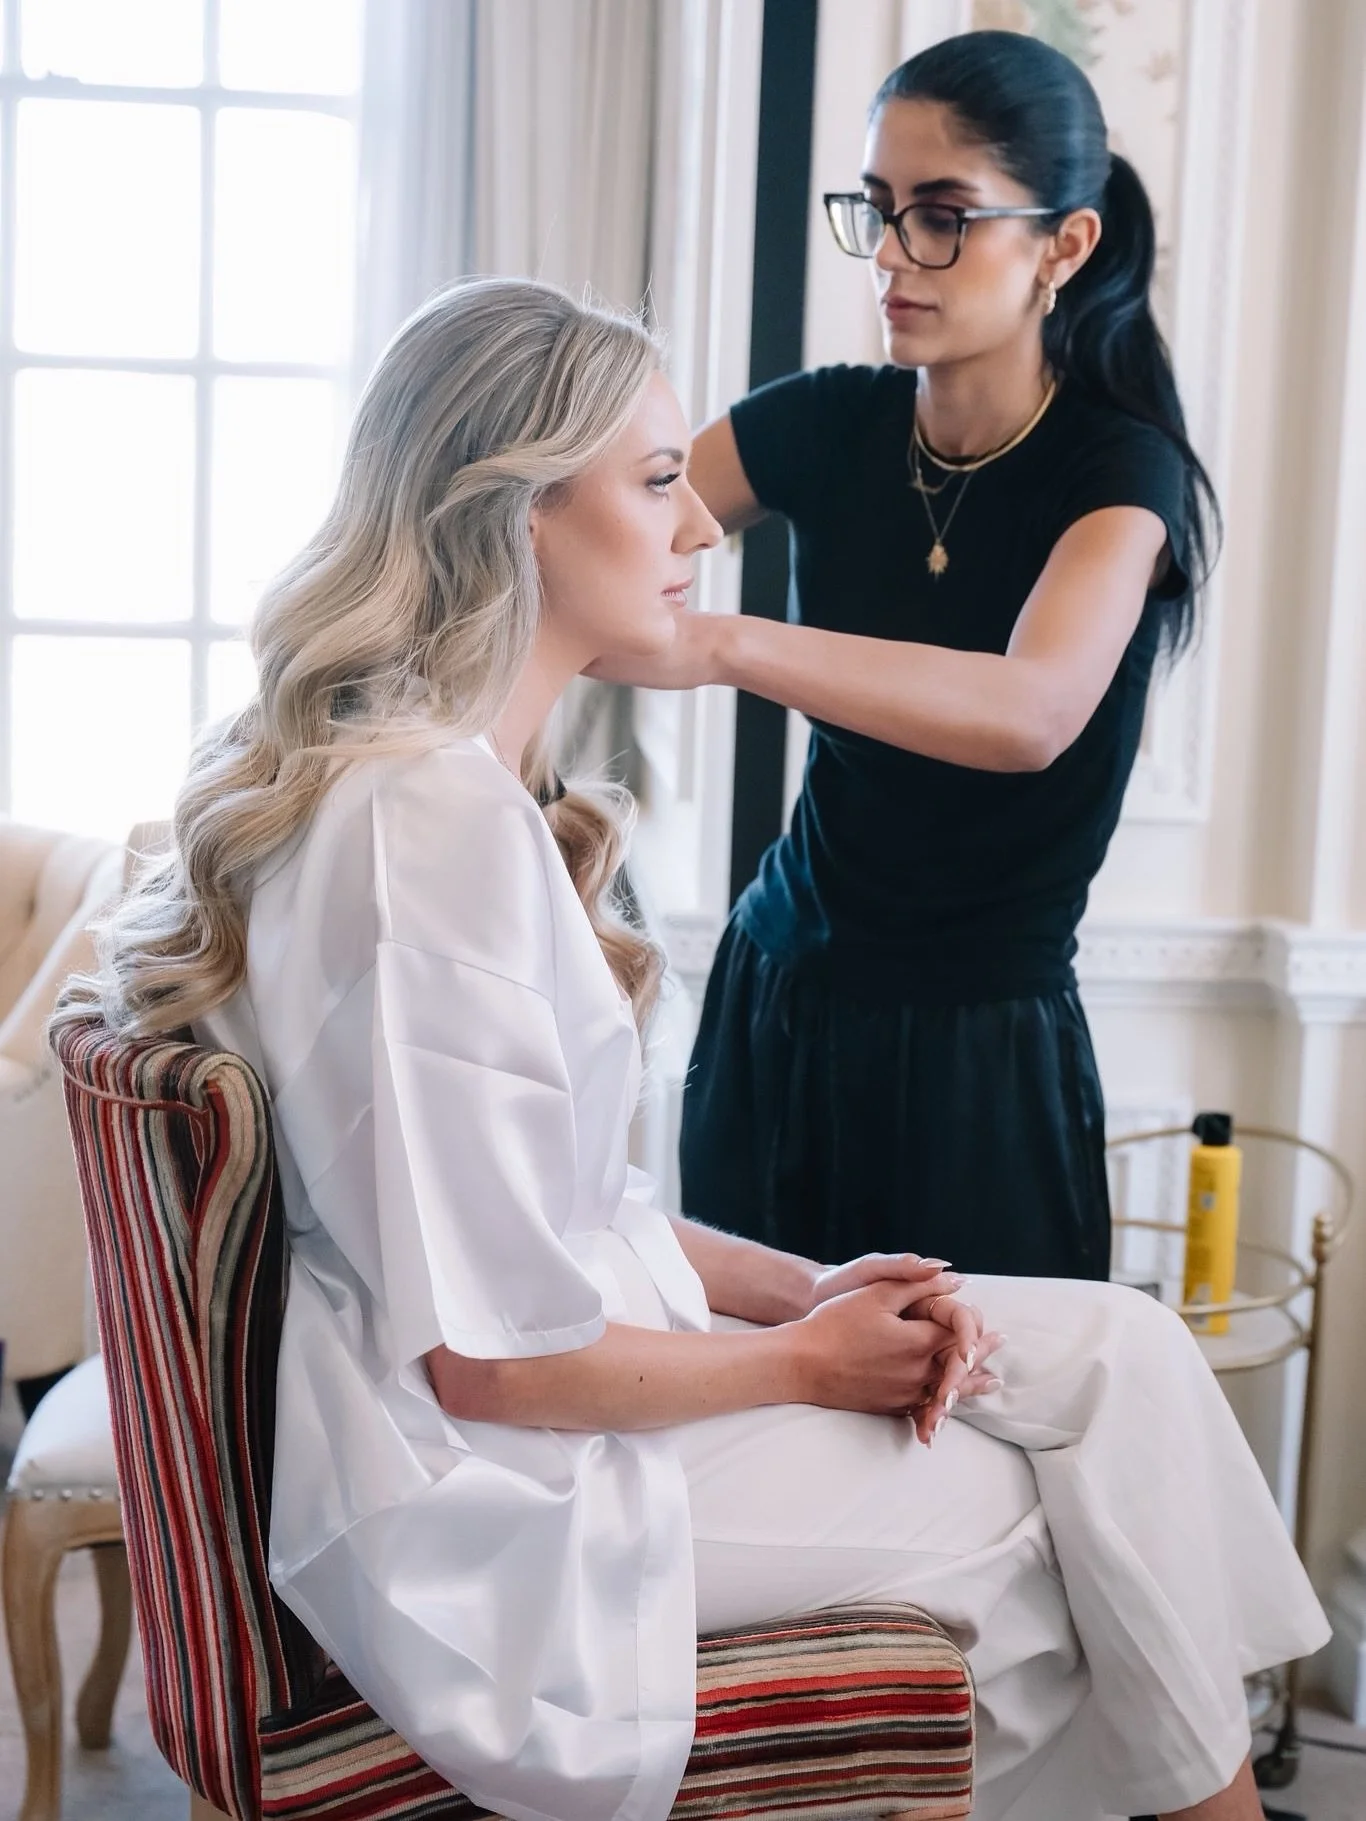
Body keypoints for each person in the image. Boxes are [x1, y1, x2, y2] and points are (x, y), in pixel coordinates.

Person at [69, 278, 1324, 1821]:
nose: (695, 527)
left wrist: (809, 1287)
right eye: (656, 480)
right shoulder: (426, 829)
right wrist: (802, 1364)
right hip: (490, 1501)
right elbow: (488, 1356)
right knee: (1059, 1518)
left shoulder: (424, 788)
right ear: (518, 509)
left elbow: (557, 1214)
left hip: (506, 1414)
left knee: (1125, 1356)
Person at [591, 31, 1218, 1283]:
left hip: (977, 1058)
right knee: (742, 1381)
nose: (889, 255)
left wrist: (725, 644)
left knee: (976, 1391)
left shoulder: (1119, 471)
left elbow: (1030, 712)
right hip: (775, 1000)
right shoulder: (827, 420)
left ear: (1063, 245)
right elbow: (594, 529)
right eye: (877, 210)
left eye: (942, 217)